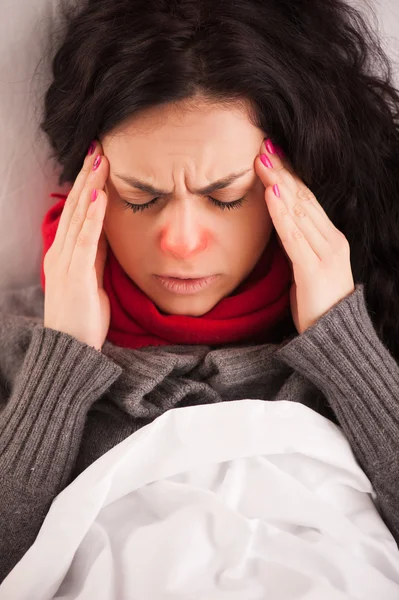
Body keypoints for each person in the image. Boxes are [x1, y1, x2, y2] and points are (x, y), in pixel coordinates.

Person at [1, 0, 399, 584]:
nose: (182, 242)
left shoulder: (376, 316)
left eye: (226, 195)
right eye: (140, 195)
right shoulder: (15, 341)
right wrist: (61, 361)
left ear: (291, 180)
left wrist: (345, 345)